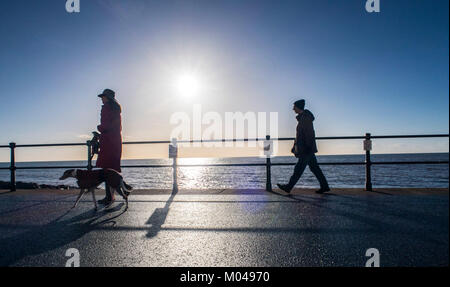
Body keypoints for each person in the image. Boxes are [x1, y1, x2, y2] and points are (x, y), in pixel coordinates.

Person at [277, 99, 330, 194]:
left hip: (306, 149)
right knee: (314, 168)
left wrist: (308, 147)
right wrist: (295, 147)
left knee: (298, 169)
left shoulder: (305, 118)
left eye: (294, 107)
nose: (293, 109)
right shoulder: (303, 118)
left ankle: (288, 187)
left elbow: (309, 134)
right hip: (307, 148)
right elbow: (301, 135)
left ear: (298, 107)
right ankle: (325, 186)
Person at [96, 89, 123, 205]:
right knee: (112, 169)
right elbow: (117, 127)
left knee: (107, 169)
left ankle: (109, 197)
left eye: (103, 97)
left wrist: (99, 128)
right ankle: (114, 195)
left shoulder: (106, 108)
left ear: (107, 97)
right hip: (115, 140)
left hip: (108, 141)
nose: (102, 99)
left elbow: (105, 125)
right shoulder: (116, 109)